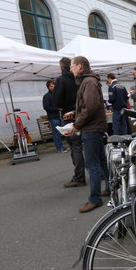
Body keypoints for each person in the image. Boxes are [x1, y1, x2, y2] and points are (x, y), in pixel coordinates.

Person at [67, 56, 110, 213]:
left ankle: (95, 199)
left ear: (79, 66)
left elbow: (91, 107)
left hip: (91, 128)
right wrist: (75, 113)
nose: (70, 69)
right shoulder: (89, 81)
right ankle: (110, 187)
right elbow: (90, 105)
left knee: (92, 164)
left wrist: (77, 124)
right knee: (100, 161)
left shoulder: (88, 81)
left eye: (71, 66)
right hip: (94, 127)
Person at [53, 57, 86, 188]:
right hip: (83, 114)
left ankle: (79, 177)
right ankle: (100, 173)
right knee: (88, 144)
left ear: (62, 68)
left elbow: (56, 102)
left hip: (69, 116)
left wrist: (64, 106)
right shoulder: (80, 79)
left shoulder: (61, 80)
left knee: (75, 146)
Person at [42, 80, 66, 153]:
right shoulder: (46, 96)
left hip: (61, 116)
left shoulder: (58, 94)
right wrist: (57, 109)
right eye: (52, 86)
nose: (54, 87)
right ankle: (60, 148)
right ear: (48, 87)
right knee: (56, 133)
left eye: (54, 86)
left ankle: (65, 146)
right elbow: (46, 107)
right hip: (53, 117)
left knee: (65, 131)